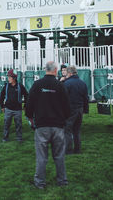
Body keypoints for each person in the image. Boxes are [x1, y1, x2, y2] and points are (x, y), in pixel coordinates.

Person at [26, 61, 70, 189]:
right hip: (58, 126)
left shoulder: (37, 85)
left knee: (41, 157)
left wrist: (31, 118)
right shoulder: (60, 85)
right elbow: (67, 108)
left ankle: (40, 183)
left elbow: (29, 106)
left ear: (45, 69)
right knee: (59, 156)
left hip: (42, 126)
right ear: (56, 70)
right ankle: (62, 181)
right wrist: (63, 119)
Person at [63, 65, 89, 154]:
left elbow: (64, 98)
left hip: (70, 109)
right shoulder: (82, 83)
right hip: (80, 109)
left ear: (69, 73)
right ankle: (77, 149)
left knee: (67, 130)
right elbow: (86, 98)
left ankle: (68, 150)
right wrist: (85, 110)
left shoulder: (66, 83)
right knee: (77, 130)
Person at [0, 69, 28, 143]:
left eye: (9, 77)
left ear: (14, 78)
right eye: (8, 77)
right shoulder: (6, 86)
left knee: (18, 125)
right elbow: (1, 96)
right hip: (8, 109)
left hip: (17, 110)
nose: (8, 78)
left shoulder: (20, 86)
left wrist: (25, 105)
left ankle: (19, 138)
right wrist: (2, 106)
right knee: (6, 125)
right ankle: (5, 138)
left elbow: (26, 95)